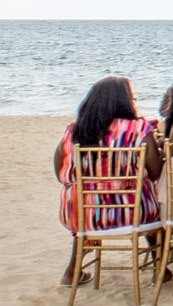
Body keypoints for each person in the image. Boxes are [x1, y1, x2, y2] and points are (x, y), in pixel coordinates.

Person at [54, 76, 163, 287]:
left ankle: (71, 272)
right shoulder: (138, 129)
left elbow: (59, 169)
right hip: (131, 213)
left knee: (87, 202)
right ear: (125, 101)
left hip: (82, 214)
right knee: (147, 199)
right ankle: (161, 269)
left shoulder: (75, 131)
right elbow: (155, 171)